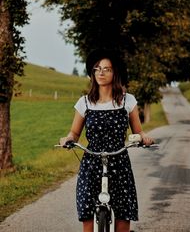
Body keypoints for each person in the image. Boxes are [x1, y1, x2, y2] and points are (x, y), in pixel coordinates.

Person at [59, 49, 154, 232]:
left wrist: (144, 138)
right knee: (87, 213)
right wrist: (68, 139)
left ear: (115, 73)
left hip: (119, 162)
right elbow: (74, 132)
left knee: (123, 214)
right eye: (97, 69)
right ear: (93, 73)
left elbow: (138, 131)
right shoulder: (85, 102)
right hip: (91, 162)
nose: (101, 73)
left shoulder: (127, 101)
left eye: (106, 69)